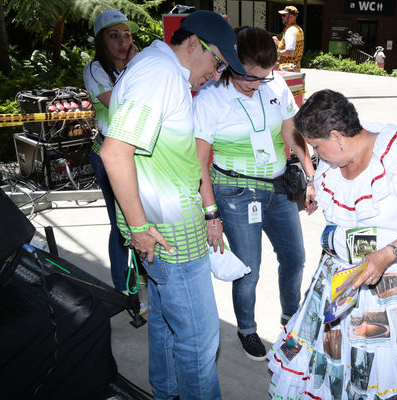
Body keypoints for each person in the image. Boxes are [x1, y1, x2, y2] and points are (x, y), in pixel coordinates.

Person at [266, 89, 397, 399]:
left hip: (396, 283)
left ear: (338, 137)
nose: (317, 155)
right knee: (346, 361)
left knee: (388, 367)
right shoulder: (332, 164)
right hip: (345, 279)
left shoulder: (394, 153)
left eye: (318, 146)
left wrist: (386, 255)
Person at [100, 10, 245, 400]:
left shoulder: (156, 67)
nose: (216, 74)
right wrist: (138, 227)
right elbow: (115, 153)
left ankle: (165, 393)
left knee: (165, 324)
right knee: (199, 342)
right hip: (171, 237)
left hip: (164, 231)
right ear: (194, 44)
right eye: (217, 62)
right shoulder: (159, 75)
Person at [193, 26, 317, 362]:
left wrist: (310, 175)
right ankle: (247, 329)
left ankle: (291, 318)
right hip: (236, 192)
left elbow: (291, 132)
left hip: (278, 187)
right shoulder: (210, 99)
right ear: (232, 62)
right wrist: (211, 214)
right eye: (249, 77)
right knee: (249, 267)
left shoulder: (274, 84)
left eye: (264, 77)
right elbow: (200, 162)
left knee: (295, 257)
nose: (256, 85)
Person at [83, 10, 138, 294]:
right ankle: (123, 288)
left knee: (140, 218)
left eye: (127, 35)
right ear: (100, 40)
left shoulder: (136, 66)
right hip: (109, 155)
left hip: (138, 155)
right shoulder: (94, 69)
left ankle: (140, 275)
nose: (122, 42)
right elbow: (121, 104)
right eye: (113, 35)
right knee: (121, 223)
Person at [272, 6, 304, 71]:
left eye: (284, 15)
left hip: (286, 70)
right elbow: (291, 47)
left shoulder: (290, 31)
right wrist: (277, 41)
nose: (282, 17)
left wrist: (274, 53)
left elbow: (290, 52)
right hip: (294, 69)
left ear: (291, 17)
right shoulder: (298, 29)